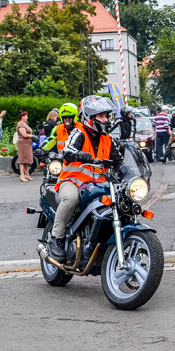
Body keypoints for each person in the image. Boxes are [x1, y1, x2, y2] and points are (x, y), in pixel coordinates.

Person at [48, 95, 130, 262]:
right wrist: (81, 155)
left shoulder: (107, 138)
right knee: (71, 199)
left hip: (97, 184)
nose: (105, 119)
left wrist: (129, 173)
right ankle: (56, 238)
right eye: (101, 116)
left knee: (123, 202)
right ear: (89, 117)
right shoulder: (79, 131)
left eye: (106, 116)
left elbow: (118, 161)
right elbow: (68, 150)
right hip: (72, 181)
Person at [15, 110, 34, 182]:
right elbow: (24, 134)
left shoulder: (24, 124)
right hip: (23, 143)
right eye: (26, 116)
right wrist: (32, 136)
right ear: (22, 117)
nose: (27, 118)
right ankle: (22, 175)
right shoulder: (20, 124)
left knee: (27, 159)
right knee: (22, 160)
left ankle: (27, 174)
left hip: (27, 143)